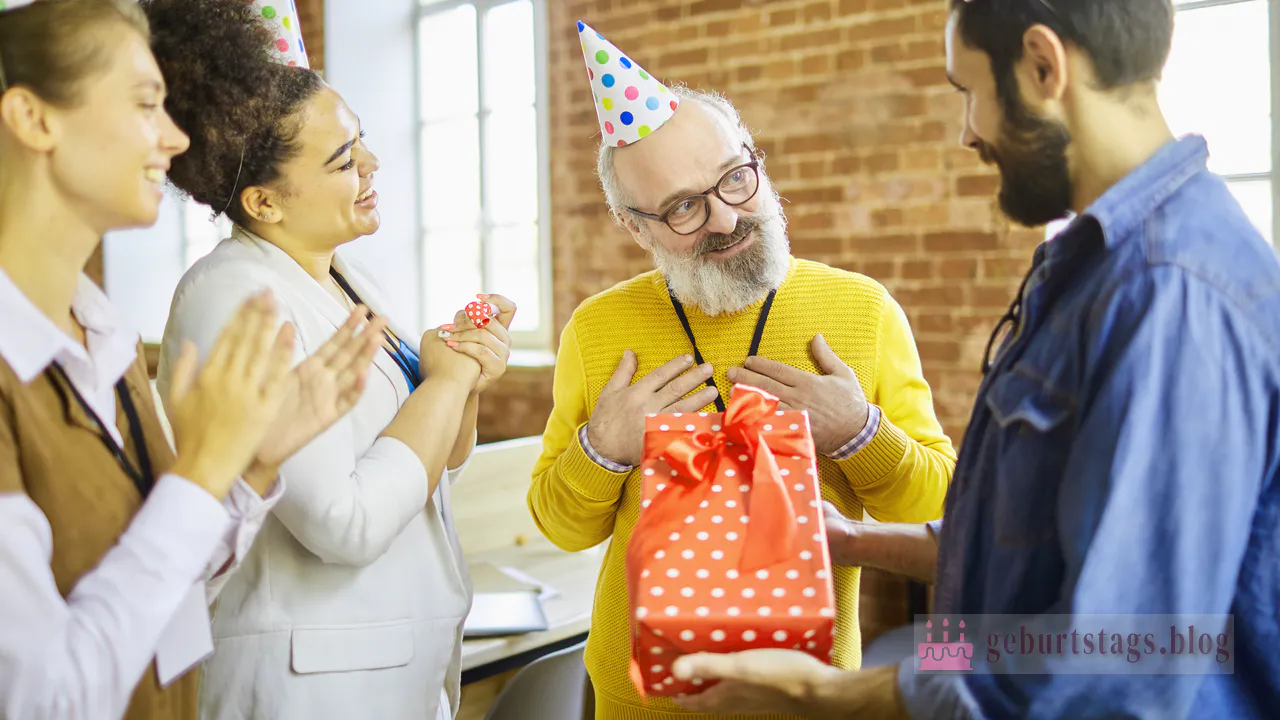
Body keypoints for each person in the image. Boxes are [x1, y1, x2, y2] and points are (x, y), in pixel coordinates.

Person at [673, 0, 1280, 717]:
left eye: (970, 94)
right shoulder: (1093, 266)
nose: (969, 133)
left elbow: (1125, 653)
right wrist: (849, 538)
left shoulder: (1166, 290)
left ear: (1043, 64)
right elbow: (1036, 544)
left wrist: (828, 696)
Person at [528, 23, 955, 720]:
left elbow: (933, 506)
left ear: (754, 160)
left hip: (805, 698)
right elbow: (560, 526)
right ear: (636, 226)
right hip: (638, 701)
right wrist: (601, 450)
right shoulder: (596, 330)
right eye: (683, 208)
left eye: (734, 178)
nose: (726, 217)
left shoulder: (862, 310)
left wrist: (858, 432)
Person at [0, 1, 384, 719]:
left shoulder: (104, 339)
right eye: (147, 105)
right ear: (33, 119)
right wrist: (204, 473)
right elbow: (40, 701)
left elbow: (157, 610)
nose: (174, 139)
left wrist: (249, 471)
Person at [142, 1, 516, 718]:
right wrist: (446, 383)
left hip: (393, 668)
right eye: (344, 159)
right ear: (265, 201)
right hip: (312, 687)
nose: (373, 164)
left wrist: (461, 382)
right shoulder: (235, 299)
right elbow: (345, 522)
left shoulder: (345, 276)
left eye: (362, 142)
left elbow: (437, 463)